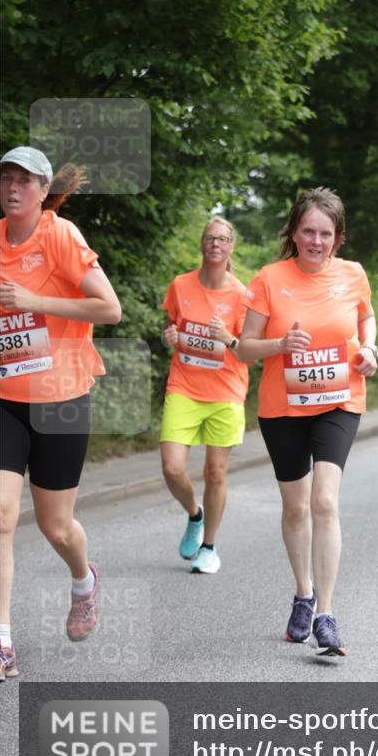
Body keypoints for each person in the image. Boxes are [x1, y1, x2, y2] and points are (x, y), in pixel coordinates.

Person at [235, 188, 377, 656]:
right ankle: (303, 593)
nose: (317, 241)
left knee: (325, 501)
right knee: (296, 508)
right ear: (294, 233)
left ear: (338, 237)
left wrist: (369, 348)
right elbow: (243, 348)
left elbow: (367, 318)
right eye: (309, 231)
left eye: (326, 233)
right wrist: (279, 346)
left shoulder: (353, 274)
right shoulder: (269, 279)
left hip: (340, 400)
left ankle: (327, 616)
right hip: (283, 408)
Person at [0, 147, 121, 681]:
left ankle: (83, 581)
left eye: (25, 180)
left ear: (43, 190)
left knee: (55, 526)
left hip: (61, 400)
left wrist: (36, 301)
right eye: (6, 178)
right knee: (1, 514)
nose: (13, 188)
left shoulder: (60, 236)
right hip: (5, 399)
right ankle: (2, 640)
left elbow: (110, 308)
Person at [160, 218, 249, 574]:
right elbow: (172, 326)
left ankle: (209, 547)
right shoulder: (181, 285)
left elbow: (249, 351)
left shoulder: (242, 296)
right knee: (172, 468)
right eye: (210, 237)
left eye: (223, 239)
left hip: (226, 391)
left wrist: (228, 337)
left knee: (215, 472)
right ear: (202, 243)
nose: (215, 244)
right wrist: (169, 337)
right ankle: (194, 514)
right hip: (183, 385)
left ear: (231, 247)